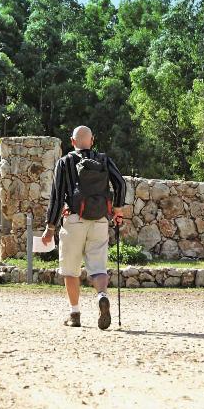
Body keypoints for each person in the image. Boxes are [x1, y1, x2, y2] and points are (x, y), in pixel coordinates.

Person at [41, 126, 126, 329]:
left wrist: (50, 227)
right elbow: (121, 184)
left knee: (70, 270)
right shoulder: (104, 160)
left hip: (73, 220)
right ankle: (102, 295)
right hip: (99, 220)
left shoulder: (65, 162)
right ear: (92, 140)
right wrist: (118, 209)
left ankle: (75, 314)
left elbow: (57, 197)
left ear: (72, 142)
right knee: (98, 267)